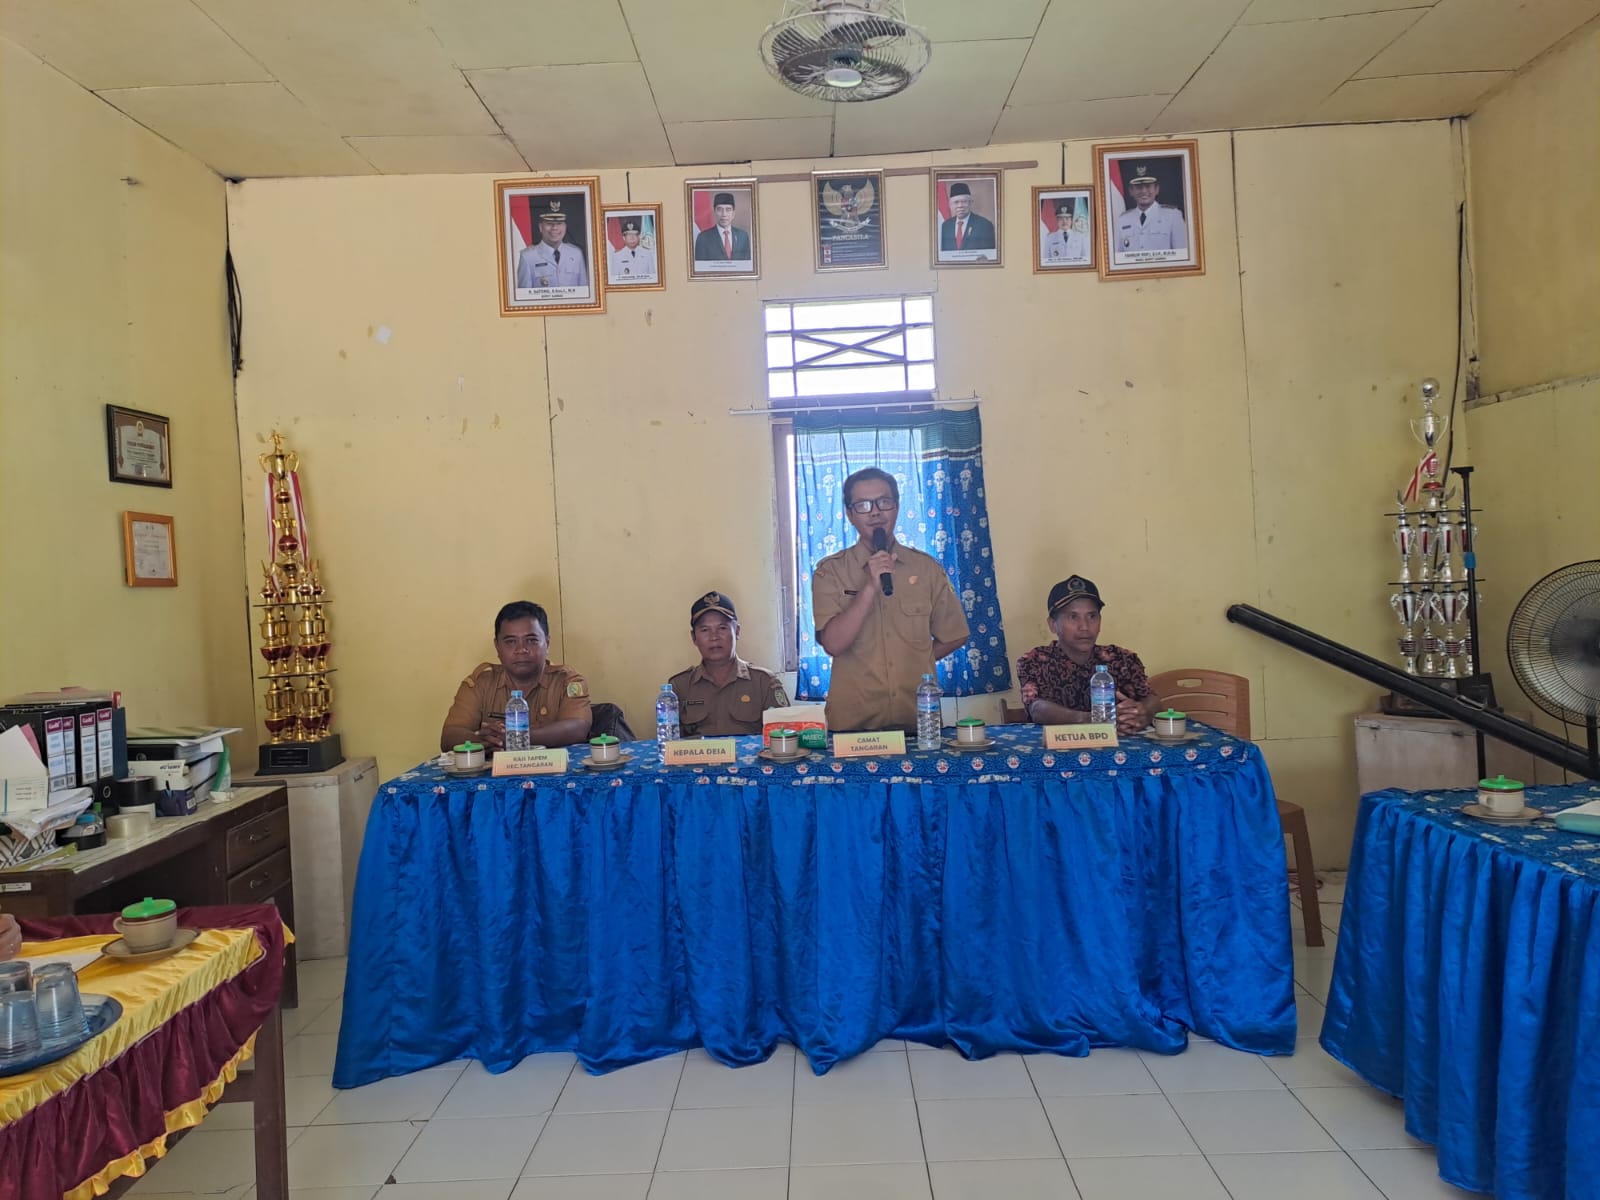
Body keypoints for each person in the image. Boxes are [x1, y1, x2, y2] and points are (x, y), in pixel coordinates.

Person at [812, 468, 970, 732]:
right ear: (850, 514)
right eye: (863, 505)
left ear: (896, 507)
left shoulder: (926, 568)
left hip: (918, 721)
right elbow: (833, 644)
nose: (875, 512)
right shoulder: (830, 572)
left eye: (883, 502)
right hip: (854, 726)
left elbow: (955, 634)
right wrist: (870, 586)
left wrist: (917, 658)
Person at [440, 601, 592, 751]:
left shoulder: (566, 681)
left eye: (531, 640)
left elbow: (578, 728)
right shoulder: (481, 683)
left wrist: (515, 738)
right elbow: (449, 736)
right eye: (511, 642)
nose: (521, 649)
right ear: (497, 647)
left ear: (547, 643)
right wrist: (482, 740)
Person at [1015, 576, 1158, 735]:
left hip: (1121, 747)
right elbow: (1036, 708)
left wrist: (1143, 712)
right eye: (1073, 617)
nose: (1084, 627)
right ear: (1052, 624)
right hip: (1058, 749)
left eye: (1092, 616)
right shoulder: (1035, 661)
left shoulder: (1123, 659)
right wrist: (1092, 719)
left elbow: (1152, 699)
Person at [668, 592, 789, 737]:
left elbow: (785, 736)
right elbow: (669, 742)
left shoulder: (764, 682)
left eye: (722, 628)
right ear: (694, 637)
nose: (714, 637)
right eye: (705, 630)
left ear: (737, 631)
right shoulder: (679, 687)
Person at [1112, 163, 1187, 253]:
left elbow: (1182, 253)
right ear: (1131, 191)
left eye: (1148, 186)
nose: (1144, 191)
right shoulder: (1123, 220)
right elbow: (1117, 256)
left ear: (1156, 189)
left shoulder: (1173, 216)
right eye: (1139, 187)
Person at [516, 200, 588, 289]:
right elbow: (524, 295)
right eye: (549, 223)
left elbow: (584, 291)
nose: (554, 228)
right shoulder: (528, 257)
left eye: (559, 223)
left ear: (565, 227)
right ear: (540, 227)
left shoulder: (576, 254)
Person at [693, 191, 751, 263]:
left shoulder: (743, 236)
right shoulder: (703, 238)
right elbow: (700, 267)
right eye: (720, 209)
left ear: (733, 213)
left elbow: (747, 264)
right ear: (714, 212)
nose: (724, 214)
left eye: (728, 210)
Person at [939, 182, 996, 253]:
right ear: (950, 205)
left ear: (970, 203)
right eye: (956, 202)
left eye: (964, 201)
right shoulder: (945, 226)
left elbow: (989, 255)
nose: (960, 206)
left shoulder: (985, 225)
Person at [1042, 200, 1089, 265]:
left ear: (1071, 220)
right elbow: (1046, 261)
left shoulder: (1080, 237)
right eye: (1061, 218)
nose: (1064, 221)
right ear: (1057, 221)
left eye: (1067, 218)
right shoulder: (1050, 238)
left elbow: (1085, 260)